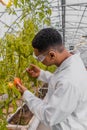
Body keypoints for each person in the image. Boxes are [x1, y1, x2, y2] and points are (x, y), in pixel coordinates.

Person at [15, 28, 87, 130]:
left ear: (52, 54)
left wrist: (26, 94)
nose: (39, 61)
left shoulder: (69, 80)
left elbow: (49, 116)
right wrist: (41, 74)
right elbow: (58, 80)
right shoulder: (71, 64)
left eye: (39, 58)